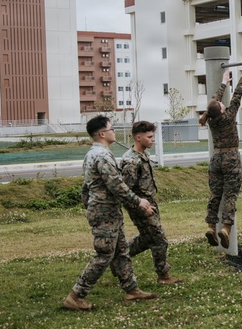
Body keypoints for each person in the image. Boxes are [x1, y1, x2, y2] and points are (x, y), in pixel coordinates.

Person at [64, 116, 159, 310]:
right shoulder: (102, 156)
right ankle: (76, 295)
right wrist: (139, 201)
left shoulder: (94, 154)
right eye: (111, 129)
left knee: (121, 250)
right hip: (104, 211)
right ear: (102, 134)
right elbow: (116, 185)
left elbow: (85, 188)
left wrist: (89, 205)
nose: (114, 132)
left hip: (107, 210)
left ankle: (131, 289)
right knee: (104, 254)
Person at [121, 120, 184, 285]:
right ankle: (163, 276)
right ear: (138, 138)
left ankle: (118, 256)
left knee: (148, 239)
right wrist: (141, 208)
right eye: (149, 137)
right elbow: (125, 191)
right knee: (159, 239)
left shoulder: (143, 155)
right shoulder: (131, 161)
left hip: (150, 204)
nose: (152, 140)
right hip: (141, 207)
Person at [199, 62, 242, 248]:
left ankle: (211, 226)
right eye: (221, 104)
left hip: (216, 159)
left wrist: (223, 82)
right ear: (221, 110)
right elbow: (237, 96)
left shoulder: (210, 119)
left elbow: (214, 100)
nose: (222, 103)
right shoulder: (228, 117)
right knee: (230, 195)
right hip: (231, 158)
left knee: (215, 194)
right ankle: (225, 229)